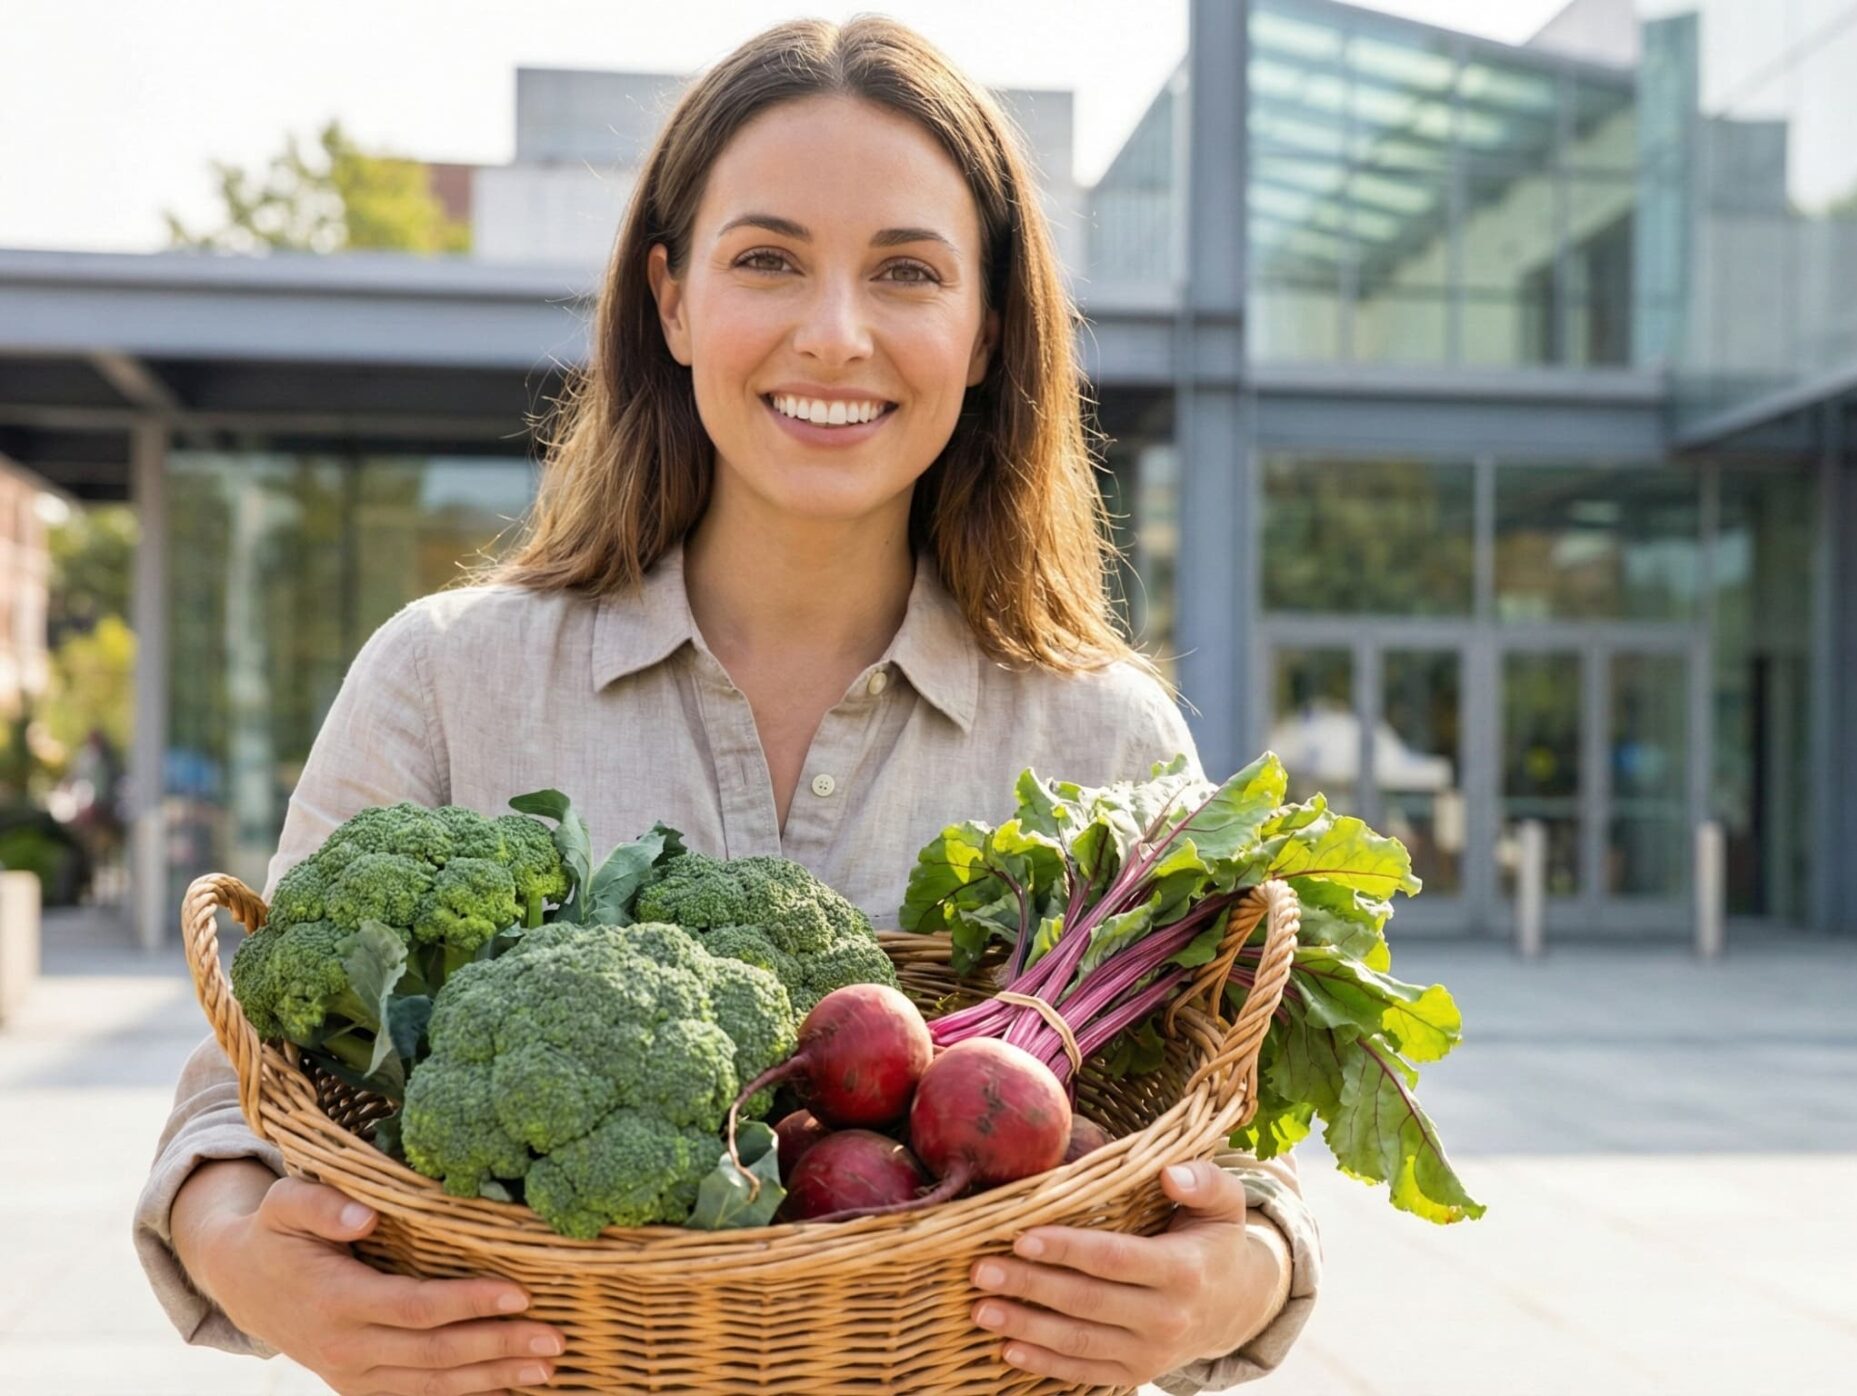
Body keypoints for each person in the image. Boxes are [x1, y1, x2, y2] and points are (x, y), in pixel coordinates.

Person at [132, 17, 1317, 1395]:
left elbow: (1232, 1151)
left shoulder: (1108, 740)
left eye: (907, 272)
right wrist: (244, 1253)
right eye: (767, 260)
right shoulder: (447, 679)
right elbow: (246, 1089)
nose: (834, 334)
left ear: (988, 329)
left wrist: (1242, 1277)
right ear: (673, 299)